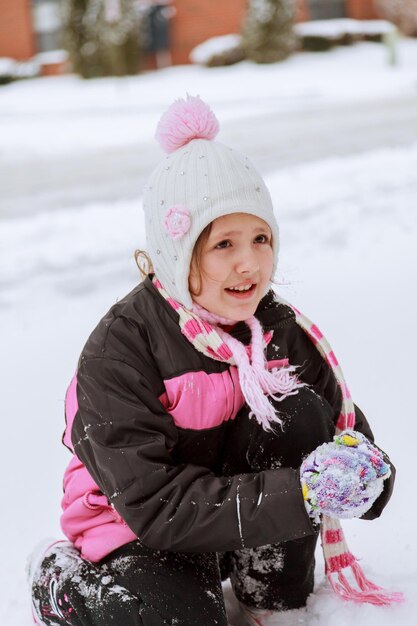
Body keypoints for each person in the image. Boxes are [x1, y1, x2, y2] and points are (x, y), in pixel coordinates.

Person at [27, 95, 401, 626]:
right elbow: (154, 505)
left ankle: (270, 599)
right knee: (179, 618)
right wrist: (299, 493)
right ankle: (59, 584)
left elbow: (342, 424)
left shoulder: (277, 330)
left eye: (260, 238)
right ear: (178, 255)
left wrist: (363, 473)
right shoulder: (122, 349)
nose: (249, 262)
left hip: (233, 516)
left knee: (300, 409)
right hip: (138, 525)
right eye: (223, 243)